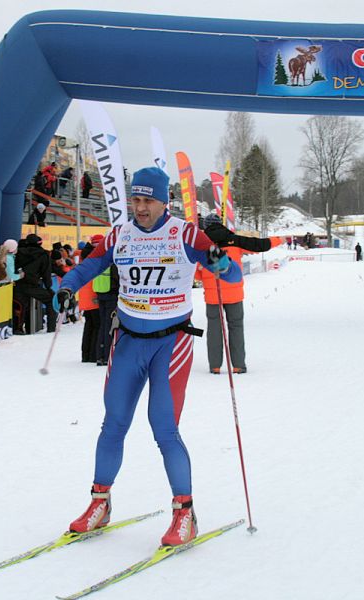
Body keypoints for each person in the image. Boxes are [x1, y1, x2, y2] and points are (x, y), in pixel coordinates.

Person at [55, 167, 240, 546]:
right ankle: (100, 503)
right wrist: (67, 286)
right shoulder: (120, 234)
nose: (139, 208)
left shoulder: (186, 233)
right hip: (128, 341)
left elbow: (232, 275)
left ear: (163, 201)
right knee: (114, 424)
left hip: (170, 344)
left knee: (164, 427)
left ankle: (184, 512)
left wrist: (219, 261)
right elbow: (90, 264)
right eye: (134, 200)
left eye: (147, 200)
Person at [199, 213, 283, 374]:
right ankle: (238, 365)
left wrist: (204, 276)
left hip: (212, 295)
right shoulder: (235, 240)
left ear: (206, 225)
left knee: (214, 330)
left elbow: (197, 272)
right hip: (234, 293)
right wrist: (279, 239)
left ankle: (215, 366)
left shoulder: (201, 244)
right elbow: (259, 245)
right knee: (236, 327)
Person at [13, 234, 57, 334]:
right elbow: (46, 273)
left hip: (18, 284)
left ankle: (17, 329)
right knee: (51, 301)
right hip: (33, 285)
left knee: (20, 306)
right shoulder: (43, 254)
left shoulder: (18, 253)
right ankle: (51, 328)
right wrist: (48, 287)